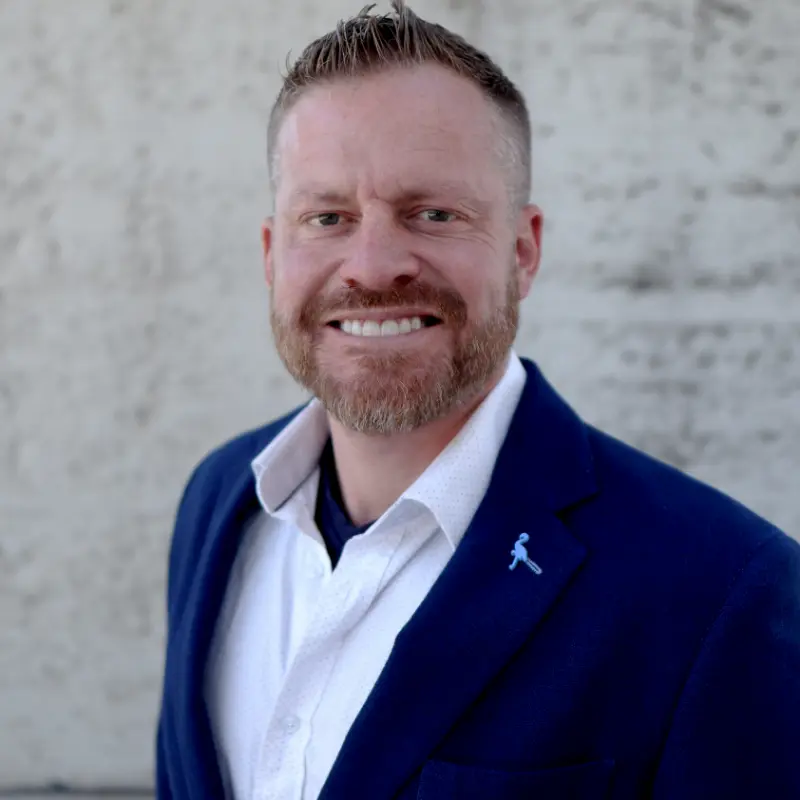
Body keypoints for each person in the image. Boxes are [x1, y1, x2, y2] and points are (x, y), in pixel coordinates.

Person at [155, 2, 800, 798]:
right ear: (270, 253)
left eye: (433, 214)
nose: (373, 265)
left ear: (524, 252)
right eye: (327, 217)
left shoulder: (720, 591)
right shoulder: (219, 502)